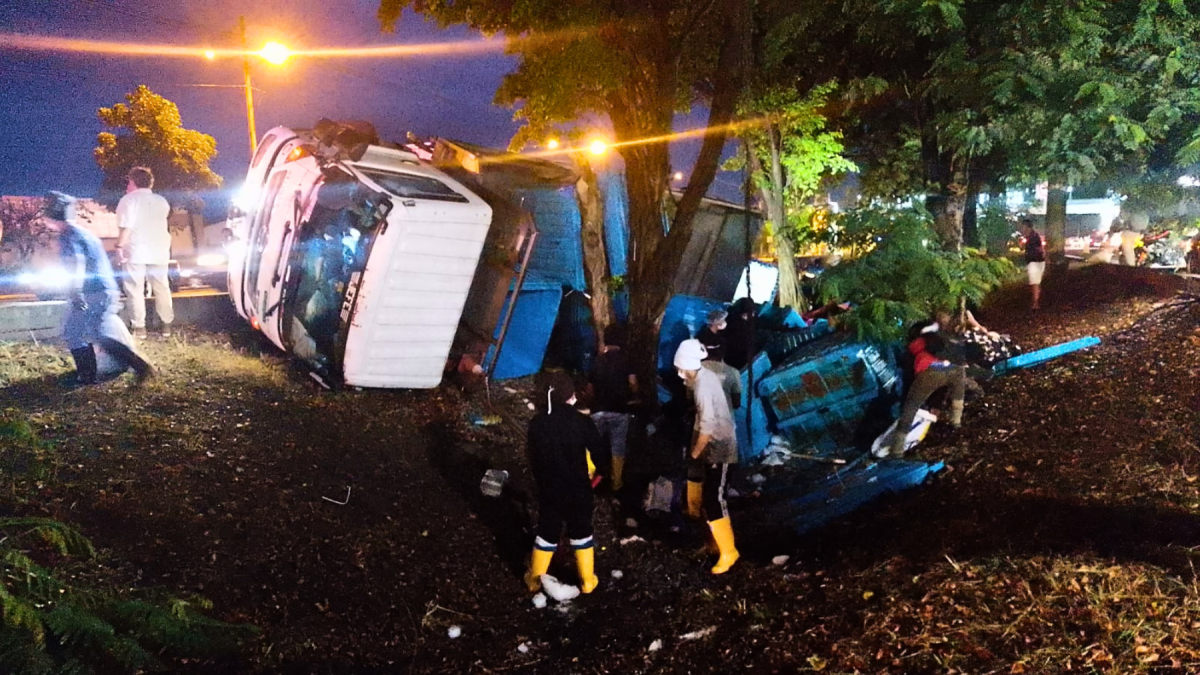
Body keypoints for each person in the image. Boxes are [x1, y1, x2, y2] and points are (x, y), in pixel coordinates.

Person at [43, 192, 154, 386]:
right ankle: (90, 374)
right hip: (102, 290)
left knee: (80, 333)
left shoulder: (69, 236)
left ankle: (137, 367)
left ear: (54, 215)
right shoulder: (83, 233)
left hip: (93, 293)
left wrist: (76, 292)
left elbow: (76, 263)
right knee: (87, 332)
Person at [524, 371, 609, 594]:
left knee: (547, 532)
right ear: (570, 395)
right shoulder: (582, 422)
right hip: (579, 489)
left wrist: (540, 482)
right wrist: (600, 474)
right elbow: (600, 455)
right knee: (581, 532)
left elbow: (533, 457)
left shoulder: (537, 423)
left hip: (549, 489)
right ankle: (587, 582)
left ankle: (534, 580)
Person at [674, 339, 740, 575]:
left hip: (720, 449)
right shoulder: (704, 377)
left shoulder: (702, 385)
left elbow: (707, 425)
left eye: (680, 368)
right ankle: (713, 545)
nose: (679, 373)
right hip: (712, 448)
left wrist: (693, 454)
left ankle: (729, 551)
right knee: (708, 500)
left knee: (715, 499)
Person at [886, 324, 965, 457]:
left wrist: (907, 399)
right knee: (957, 401)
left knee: (910, 408)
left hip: (930, 372)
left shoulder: (917, 344)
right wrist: (936, 404)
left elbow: (909, 376)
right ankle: (956, 426)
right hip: (957, 370)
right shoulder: (947, 339)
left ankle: (897, 449)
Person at [116, 167, 173, 338]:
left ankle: (139, 328)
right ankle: (166, 325)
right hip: (160, 249)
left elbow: (126, 228)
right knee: (162, 287)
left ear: (133, 182)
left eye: (128, 181)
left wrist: (119, 247)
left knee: (134, 289)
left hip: (136, 250)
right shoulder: (162, 201)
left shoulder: (128, 200)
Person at [588, 324, 638, 491]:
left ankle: (590, 477)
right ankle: (616, 483)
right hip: (619, 410)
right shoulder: (627, 359)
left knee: (593, 443)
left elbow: (590, 388)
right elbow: (633, 384)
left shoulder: (598, 360)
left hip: (598, 410)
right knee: (618, 447)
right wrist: (634, 395)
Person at [1019, 219, 1045, 310]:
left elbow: (1036, 249)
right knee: (1036, 283)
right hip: (1038, 262)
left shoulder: (1032, 237)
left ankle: (1035, 303)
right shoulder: (1033, 236)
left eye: (1023, 227)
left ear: (1028, 227)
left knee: (1035, 283)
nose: (1022, 229)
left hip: (1034, 262)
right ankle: (1036, 301)